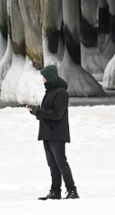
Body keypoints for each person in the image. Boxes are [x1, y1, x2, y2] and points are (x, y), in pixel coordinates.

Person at [27, 64, 78, 200]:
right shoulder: (50, 91)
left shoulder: (61, 92)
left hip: (57, 134)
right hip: (47, 133)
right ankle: (55, 191)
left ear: (50, 77)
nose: (42, 79)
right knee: (52, 164)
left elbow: (57, 114)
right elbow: (48, 112)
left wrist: (38, 111)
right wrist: (35, 111)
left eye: (44, 77)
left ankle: (72, 190)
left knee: (61, 163)